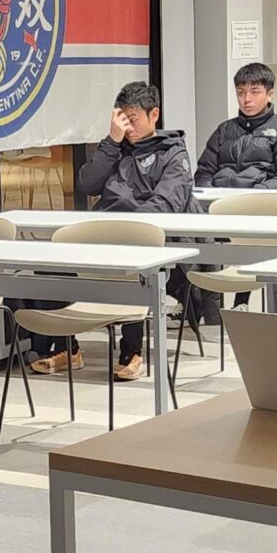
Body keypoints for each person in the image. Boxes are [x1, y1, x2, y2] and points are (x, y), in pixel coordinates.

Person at [37, 81, 192, 383]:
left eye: (133, 119)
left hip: (148, 242)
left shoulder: (173, 154)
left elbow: (166, 204)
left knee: (134, 265)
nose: (127, 126)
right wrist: (111, 141)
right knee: (52, 263)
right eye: (122, 119)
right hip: (104, 235)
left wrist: (125, 230)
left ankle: (131, 353)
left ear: (154, 115)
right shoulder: (115, 149)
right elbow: (87, 184)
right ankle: (67, 348)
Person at [194, 62, 277, 191]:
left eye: (255, 92)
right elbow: (204, 173)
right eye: (241, 93)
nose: (247, 99)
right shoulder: (224, 130)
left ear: (269, 95)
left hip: (263, 201)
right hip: (222, 200)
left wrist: (255, 195)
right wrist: (213, 194)